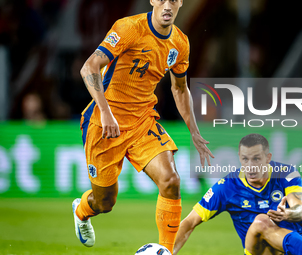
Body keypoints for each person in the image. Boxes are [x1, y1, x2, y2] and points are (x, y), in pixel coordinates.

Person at [72, 0, 214, 253]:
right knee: (105, 202)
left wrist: (194, 130)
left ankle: (166, 251)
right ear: (152, 0)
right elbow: (89, 67)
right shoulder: (129, 28)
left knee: (171, 181)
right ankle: (81, 210)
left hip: (142, 121)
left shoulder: (180, 43)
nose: (167, 5)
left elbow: (179, 88)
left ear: (181, 3)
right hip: (105, 123)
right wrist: (105, 111)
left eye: (174, 0)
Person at [173, 133, 302, 255]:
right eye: (245, 159)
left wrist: (289, 213)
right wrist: (167, 251)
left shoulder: (286, 173)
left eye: (256, 159)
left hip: (300, 240)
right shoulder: (226, 187)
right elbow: (189, 222)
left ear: (268, 158)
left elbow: (301, 211)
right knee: (261, 220)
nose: (250, 166)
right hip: (264, 250)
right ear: (239, 158)